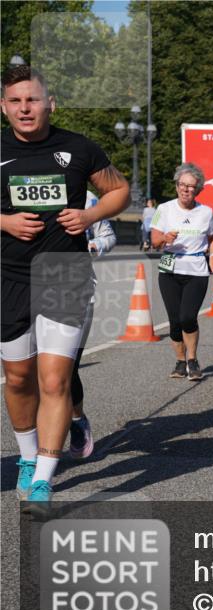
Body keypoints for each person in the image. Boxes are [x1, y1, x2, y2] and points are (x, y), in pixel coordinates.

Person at [1, 65, 130, 512]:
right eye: (15, 101)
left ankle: (42, 480)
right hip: (9, 276)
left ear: (49, 103)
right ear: (4, 107)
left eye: (32, 99)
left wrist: (90, 217)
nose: (25, 108)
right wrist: (4, 221)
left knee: (54, 379)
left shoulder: (78, 148)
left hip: (64, 274)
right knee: (18, 378)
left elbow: (120, 192)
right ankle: (28, 454)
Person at [150, 163, 213, 382]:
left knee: (188, 317)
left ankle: (192, 359)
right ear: (177, 185)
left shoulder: (206, 212)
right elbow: (154, 242)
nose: (185, 190)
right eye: (182, 185)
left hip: (196, 268)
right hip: (170, 266)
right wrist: (164, 239)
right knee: (175, 321)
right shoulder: (164, 209)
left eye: (191, 186)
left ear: (198, 189)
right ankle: (180, 361)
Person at [67, 190, 119, 460]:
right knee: (28, 372)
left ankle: (76, 420)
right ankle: (34, 449)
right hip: (26, 288)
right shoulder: (20, 184)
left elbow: (108, 235)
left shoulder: (86, 198)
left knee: (66, 367)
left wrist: (94, 246)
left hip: (76, 290)